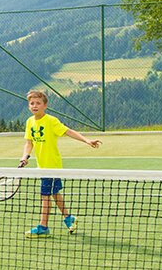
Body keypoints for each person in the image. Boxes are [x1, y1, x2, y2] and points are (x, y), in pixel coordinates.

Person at [19, 90, 101, 238]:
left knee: (45, 196)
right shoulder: (29, 122)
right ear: (28, 106)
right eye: (32, 103)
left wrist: (87, 140)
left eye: (38, 103)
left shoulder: (51, 121)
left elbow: (68, 131)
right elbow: (29, 143)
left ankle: (43, 227)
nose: (34, 106)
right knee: (55, 194)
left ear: (45, 106)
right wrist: (25, 156)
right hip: (42, 166)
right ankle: (69, 218)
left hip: (52, 166)